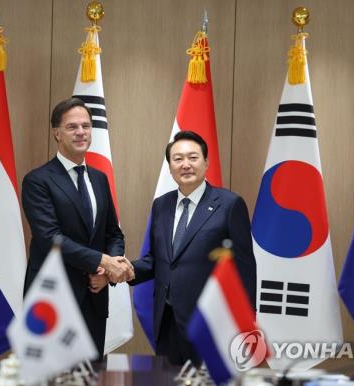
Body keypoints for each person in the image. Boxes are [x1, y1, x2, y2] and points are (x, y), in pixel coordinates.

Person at [129, 131, 257, 365]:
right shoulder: (161, 205)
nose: (185, 164)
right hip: (167, 323)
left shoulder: (229, 205)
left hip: (211, 323)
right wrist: (125, 270)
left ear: (206, 163)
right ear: (170, 167)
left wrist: (245, 324)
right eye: (178, 159)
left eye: (193, 157)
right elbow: (157, 261)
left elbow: (245, 268)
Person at [22, 97, 133, 357]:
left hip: (94, 295)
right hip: (52, 299)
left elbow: (112, 233)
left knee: (90, 376)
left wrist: (107, 271)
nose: (81, 132)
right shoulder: (38, 180)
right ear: (56, 134)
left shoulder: (99, 178)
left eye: (86, 126)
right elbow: (50, 238)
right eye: (72, 127)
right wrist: (102, 261)